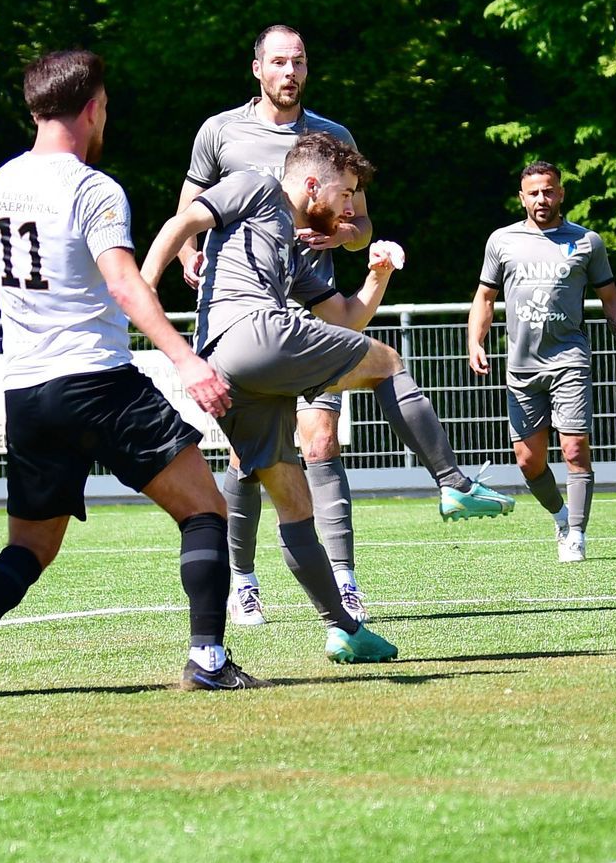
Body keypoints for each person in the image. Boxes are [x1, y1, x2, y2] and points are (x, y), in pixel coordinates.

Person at [0, 50, 262, 697]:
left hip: (27, 393)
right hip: (99, 381)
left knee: (30, 547)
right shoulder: (93, 188)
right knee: (205, 510)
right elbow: (125, 285)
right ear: (90, 109)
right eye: (104, 107)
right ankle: (209, 659)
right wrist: (186, 360)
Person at [141, 132, 517, 661]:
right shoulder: (257, 186)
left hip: (227, 368)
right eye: (345, 194)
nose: (349, 209)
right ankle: (453, 483)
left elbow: (343, 318)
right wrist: (146, 284)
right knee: (387, 362)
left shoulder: (291, 245)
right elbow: (182, 222)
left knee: (293, 502)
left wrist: (377, 276)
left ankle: (344, 629)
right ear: (314, 184)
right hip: (253, 332)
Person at [175, 26, 373, 628]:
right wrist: (188, 255)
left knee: (321, 443)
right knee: (248, 459)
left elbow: (361, 226)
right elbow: (189, 209)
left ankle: (344, 580)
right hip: (242, 316)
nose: (291, 72)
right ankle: (243, 579)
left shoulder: (332, 138)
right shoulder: (220, 133)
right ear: (257, 68)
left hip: (311, 309)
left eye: (300, 62)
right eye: (280, 61)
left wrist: (341, 235)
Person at [468, 161, 616, 562]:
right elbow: (485, 297)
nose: (541, 199)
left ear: (561, 193)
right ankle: (561, 517)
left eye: (549, 191)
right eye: (533, 193)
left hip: (569, 359)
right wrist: (475, 342)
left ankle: (577, 534)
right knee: (529, 462)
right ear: (522, 198)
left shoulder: (586, 242)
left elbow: (611, 300)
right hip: (521, 366)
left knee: (575, 449)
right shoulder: (502, 241)